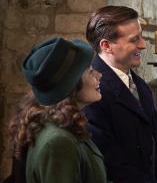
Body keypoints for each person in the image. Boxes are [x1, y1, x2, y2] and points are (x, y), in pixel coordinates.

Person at [84, 5, 157, 183]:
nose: (143, 44)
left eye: (140, 36)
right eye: (134, 39)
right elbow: (110, 161)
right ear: (107, 46)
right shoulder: (92, 92)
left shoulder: (141, 86)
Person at [8, 37, 108, 183]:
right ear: (71, 85)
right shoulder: (58, 142)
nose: (99, 75)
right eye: (90, 72)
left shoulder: (59, 128)